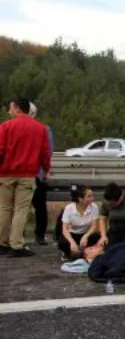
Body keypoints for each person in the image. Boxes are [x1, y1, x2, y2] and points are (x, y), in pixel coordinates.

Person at [0, 98, 52, 257]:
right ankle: (16, 244)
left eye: (10, 108)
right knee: (20, 210)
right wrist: (46, 169)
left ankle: (2, 243)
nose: (9, 111)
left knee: (4, 209)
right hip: (27, 175)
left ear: (17, 108)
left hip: (5, 173)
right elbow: (45, 152)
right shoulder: (40, 128)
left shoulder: (5, 126)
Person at [28, 102, 54, 246]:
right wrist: (45, 171)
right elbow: (47, 152)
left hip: (18, 172)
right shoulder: (44, 129)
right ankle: (40, 235)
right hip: (37, 173)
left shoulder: (10, 126)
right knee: (40, 206)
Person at [58, 184, 101, 261]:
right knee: (62, 242)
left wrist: (86, 236)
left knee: (97, 238)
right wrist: (72, 242)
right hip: (72, 234)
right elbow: (65, 229)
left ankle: (82, 252)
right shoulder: (69, 208)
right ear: (80, 199)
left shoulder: (94, 207)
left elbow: (94, 226)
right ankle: (68, 252)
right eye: (89, 196)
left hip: (86, 233)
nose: (92, 198)